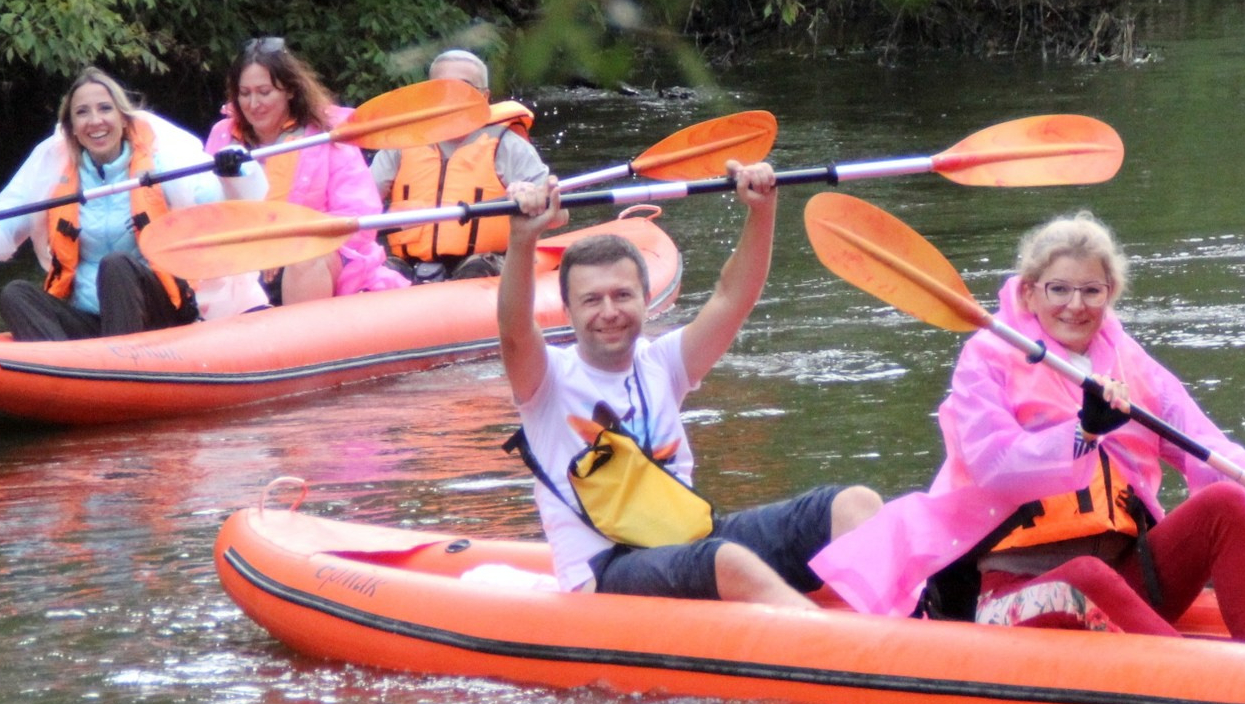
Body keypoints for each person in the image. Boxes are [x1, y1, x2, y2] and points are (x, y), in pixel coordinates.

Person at [810, 213, 1245, 641]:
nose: (1075, 305)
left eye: (1092, 291)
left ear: (1110, 294)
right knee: (1084, 577)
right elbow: (996, 466)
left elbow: (1210, 451)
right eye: (1059, 289)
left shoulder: (1132, 364)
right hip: (1013, 594)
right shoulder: (987, 357)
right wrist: (1084, 433)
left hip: (1128, 577)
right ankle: (1204, 687)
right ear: (1029, 291)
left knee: (1224, 504)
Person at [499, 164, 883, 605]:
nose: (609, 311)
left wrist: (762, 210)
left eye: (623, 295)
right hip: (605, 573)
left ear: (647, 300)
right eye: (592, 300)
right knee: (725, 560)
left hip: (690, 540)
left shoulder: (663, 363)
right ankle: (846, 655)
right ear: (567, 311)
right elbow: (514, 332)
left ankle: (907, 623)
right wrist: (523, 237)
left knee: (855, 503)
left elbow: (732, 297)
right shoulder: (545, 382)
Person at [0, 68, 267, 340]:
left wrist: (233, 173)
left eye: (105, 109)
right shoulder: (52, 168)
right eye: (83, 112)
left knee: (115, 265)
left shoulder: (162, 160)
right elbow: (8, 215)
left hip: (158, 310)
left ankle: (118, 363)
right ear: (71, 126)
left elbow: (216, 204)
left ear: (122, 117)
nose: (95, 121)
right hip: (88, 317)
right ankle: (63, 377)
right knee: (15, 294)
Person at [205, 37, 408, 303]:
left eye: (264, 92)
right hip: (244, 261)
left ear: (289, 90)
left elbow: (357, 216)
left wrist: (286, 244)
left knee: (305, 256)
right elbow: (207, 210)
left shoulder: (324, 135)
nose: (254, 104)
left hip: (315, 257)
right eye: (245, 93)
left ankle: (302, 338)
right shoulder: (223, 136)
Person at [368, 47, 551, 282]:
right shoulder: (402, 144)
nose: (452, 95)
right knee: (376, 274)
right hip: (408, 263)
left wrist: (532, 200)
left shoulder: (508, 145)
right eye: (442, 88)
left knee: (473, 271)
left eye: (464, 87)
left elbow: (559, 214)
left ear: (484, 97)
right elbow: (359, 205)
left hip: (485, 261)